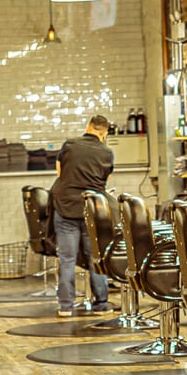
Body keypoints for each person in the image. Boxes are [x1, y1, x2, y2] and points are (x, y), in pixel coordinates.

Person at [51, 114, 114, 317]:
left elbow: (60, 173)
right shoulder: (106, 152)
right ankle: (101, 305)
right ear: (104, 133)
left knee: (67, 258)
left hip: (66, 206)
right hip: (92, 208)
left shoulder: (69, 145)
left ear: (88, 127)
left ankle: (65, 307)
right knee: (95, 257)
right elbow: (105, 180)